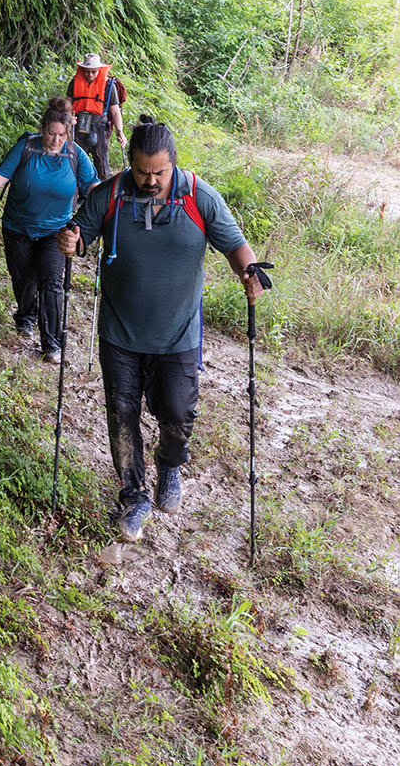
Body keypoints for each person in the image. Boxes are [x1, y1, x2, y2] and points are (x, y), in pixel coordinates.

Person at [58, 114, 268, 542]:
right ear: (129, 163)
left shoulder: (199, 196)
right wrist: (72, 242)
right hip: (120, 334)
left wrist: (250, 273)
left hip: (178, 335)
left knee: (177, 413)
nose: (150, 180)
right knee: (122, 415)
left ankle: (170, 467)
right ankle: (134, 495)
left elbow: (235, 246)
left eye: (159, 172)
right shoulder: (110, 194)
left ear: (173, 163)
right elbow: (82, 237)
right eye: (141, 171)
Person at [0, 98, 98, 367]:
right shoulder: (27, 146)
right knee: (23, 278)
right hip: (18, 227)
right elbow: (4, 172)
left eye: (61, 135)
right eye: (51, 134)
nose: (55, 140)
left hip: (56, 230)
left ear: (68, 133)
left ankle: (52, 343)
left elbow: (92, 186)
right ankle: (26, 316)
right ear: (43, 129)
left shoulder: (76, 154)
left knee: (52, 283)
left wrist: (108, 195)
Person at [67, 52, 127, 181]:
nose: (90, 74)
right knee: (76, 161)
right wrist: (67, 120)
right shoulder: (75, 82)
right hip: (79, 126)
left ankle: (103, 193)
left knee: (101, 163)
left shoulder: (109, 86)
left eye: (93, 72)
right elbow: (67, 104)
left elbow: (115, 111)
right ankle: (77, 193)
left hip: (100, 128)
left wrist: (120, 132)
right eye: (87, 71)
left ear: (99, 70)